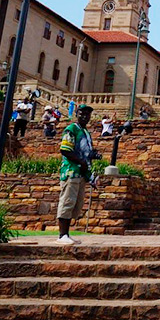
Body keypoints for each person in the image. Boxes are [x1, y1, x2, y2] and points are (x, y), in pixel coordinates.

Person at [56, 104, 96, 245]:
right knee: (67, 201)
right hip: (71, 171)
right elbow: (65, 150)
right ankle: (62, 235)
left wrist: (92, 156)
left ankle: (66, 233)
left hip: (81, 173)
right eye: (82, 113)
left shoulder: (85, 132)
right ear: (77, 114)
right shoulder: (71, 129)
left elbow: (85, 151)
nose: (85, 116)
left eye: (87, 114)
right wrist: (81, 161)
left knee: (76, 204)